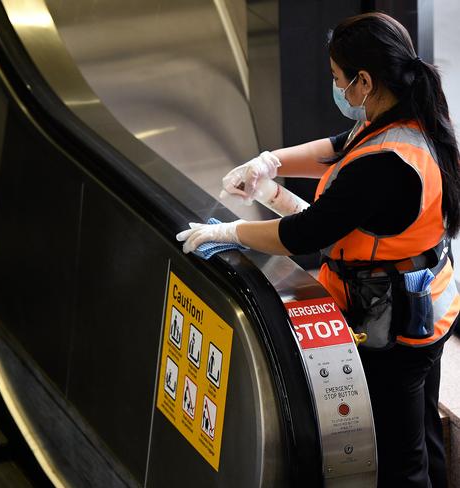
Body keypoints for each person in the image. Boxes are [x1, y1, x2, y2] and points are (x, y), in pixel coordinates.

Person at [176, 12, 460, 488]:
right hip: (427, 309)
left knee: (402, 462)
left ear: (364, 82)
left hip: (395, 328)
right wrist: (269, 162)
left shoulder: (384, 165)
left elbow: (302, 234)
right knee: (424, 437)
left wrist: (230, 233)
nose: (336, 88)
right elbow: (335, 148)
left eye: (337, 79)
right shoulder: (406, 119)